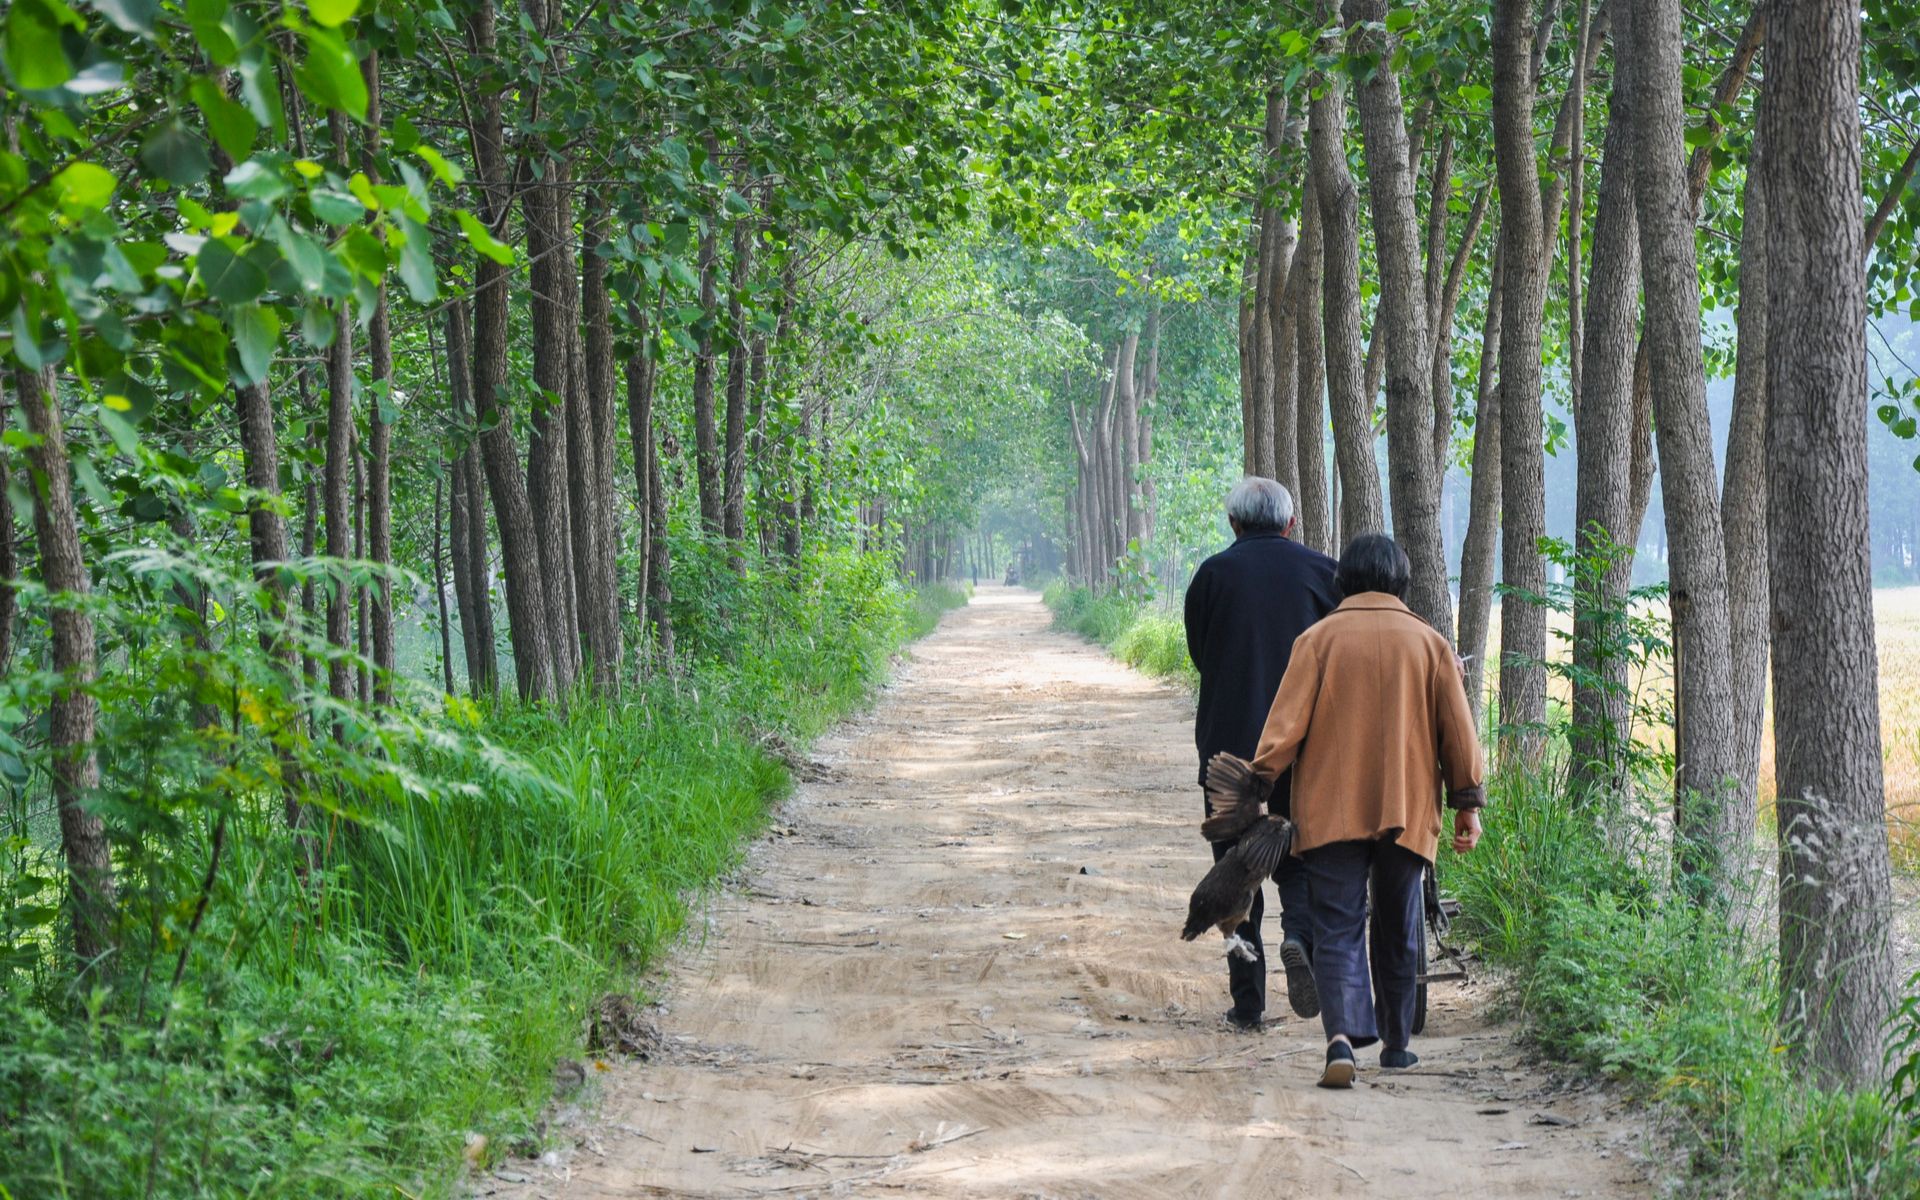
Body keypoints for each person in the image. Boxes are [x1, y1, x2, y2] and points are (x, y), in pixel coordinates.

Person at [1248, 533, 1486, 1087]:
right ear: (1401, 581)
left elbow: (1283, 730)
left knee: (1337, 922)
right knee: (1400, 921)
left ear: (1344, 580)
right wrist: (1466, 803)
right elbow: (1459, 732)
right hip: (1406, 805)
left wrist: (1258, 785)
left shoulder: (1316, 641)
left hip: (1330, 807)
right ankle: (1397, 1045)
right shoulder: (1429, 645)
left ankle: (1340, 1040)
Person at [1183, 477, 1338, 1030]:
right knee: (1295, 860)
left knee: (1233, 873)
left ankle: (1248, 1002)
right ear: (1291, 524)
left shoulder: (1212, 576)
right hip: (1303, 750)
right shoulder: (1324, 574)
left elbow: (1202, 655)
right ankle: (1299, 939)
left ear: (1234, 524)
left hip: (1228, 754)